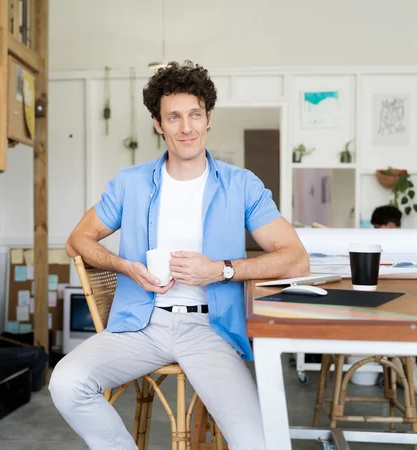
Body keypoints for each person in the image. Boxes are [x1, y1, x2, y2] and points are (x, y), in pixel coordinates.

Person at [49, 60, 310, 450]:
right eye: (174, 117)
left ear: (208, 119)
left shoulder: (241, 185)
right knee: (66, 383)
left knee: (260, 444)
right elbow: (77, 240)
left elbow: (295, 258)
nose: (186, 127)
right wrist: (125, 266)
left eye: (195, 115)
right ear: (158, 123)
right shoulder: (130, 184)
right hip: (142, 326)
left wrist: (220, 270)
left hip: (211, 332)